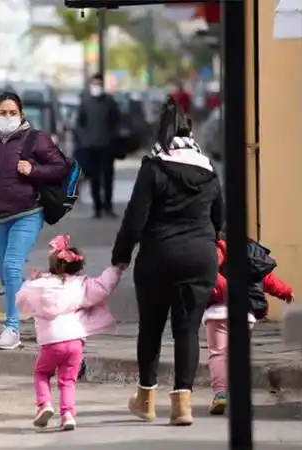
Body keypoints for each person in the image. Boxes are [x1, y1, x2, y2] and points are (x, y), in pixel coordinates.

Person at [111, 97, 222, 426]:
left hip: (158, 258)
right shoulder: (208, 170)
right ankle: (182, 406)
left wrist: (120, 259)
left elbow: (134, 219)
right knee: (187, 330)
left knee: (151, 329)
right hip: (199, 259)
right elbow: (221, 219)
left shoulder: (154, 168)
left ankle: (146, 400)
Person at [0, 91, 71, 350]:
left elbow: (62, 167)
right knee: (5, 276)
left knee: (10, 266)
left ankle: (12, 329)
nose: (7, 117)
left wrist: (34, 170)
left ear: (21, 115)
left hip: (28, 213)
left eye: (12, 113)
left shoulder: (36, 140)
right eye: (2, 113)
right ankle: (41, 305)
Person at [16, 235, 123, 431]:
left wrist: (30, 282)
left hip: (50, 342)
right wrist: (116, 269)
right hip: (75, 341)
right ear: (78, 267)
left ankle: (44, 405)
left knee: (42, 373)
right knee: (68, 380)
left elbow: (21, 300)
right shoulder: (82, 286)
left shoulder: (39, 286)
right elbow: (103, 285)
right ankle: (67, 415)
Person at [205, 236, 294, 415]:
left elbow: (209, 270)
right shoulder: (255, 253)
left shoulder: (220, 247)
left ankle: (220, 393)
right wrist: (286, 292)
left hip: (218, 312)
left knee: (218, 354)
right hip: (246, 313)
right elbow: (268, 280)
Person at [75, 73, 121, 219]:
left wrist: (113, 137)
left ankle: (108, 206)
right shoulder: (86, 102)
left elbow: (117, 121)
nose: (97, 87)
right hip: (91, 147)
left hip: (107, 146)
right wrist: (84, 140)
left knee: (107, 178)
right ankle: (97, 208)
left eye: (99, 84)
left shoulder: (109, 101)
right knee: (94, 178)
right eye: (94, 83)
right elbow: (79, 124)